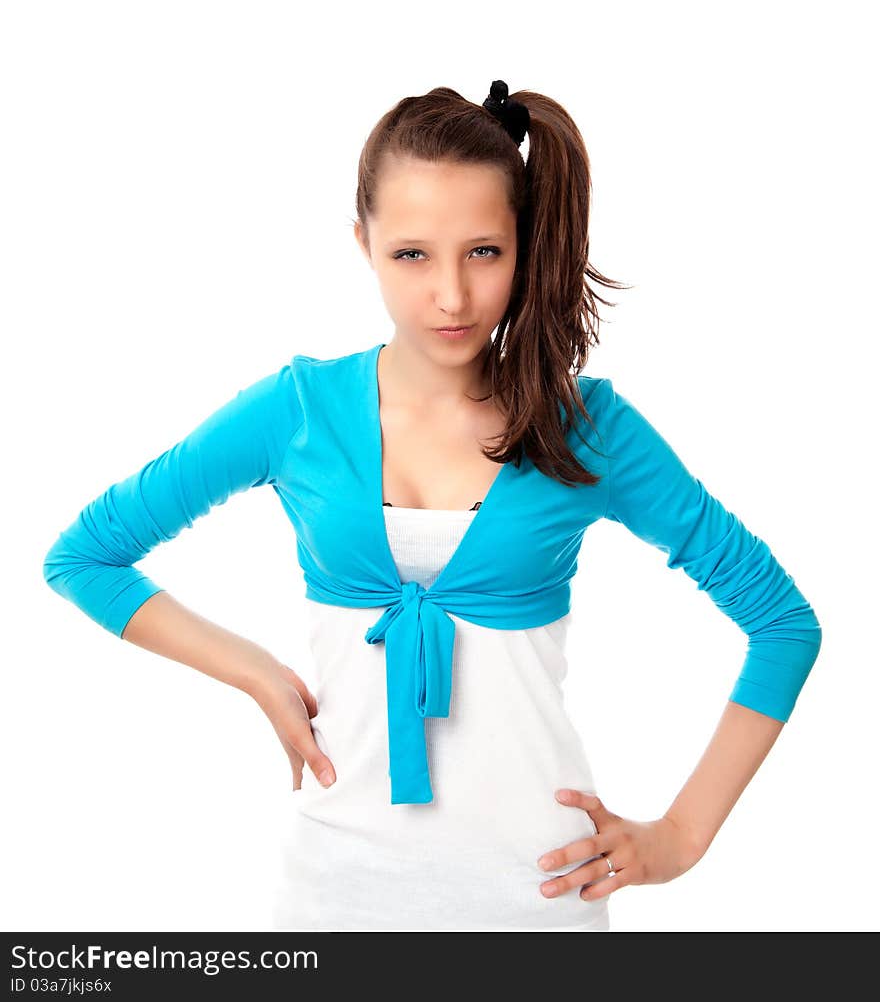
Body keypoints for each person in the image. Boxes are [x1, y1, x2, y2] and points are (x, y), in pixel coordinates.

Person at [42, 80, 822, 932]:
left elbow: (782, 623)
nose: (450, 296)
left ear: (523, 247)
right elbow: (84, 557)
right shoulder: (296, 411)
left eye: (483, 251)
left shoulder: (587, 428)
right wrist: (257, 673)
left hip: (542, 899)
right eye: (411, 254)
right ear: (363, 244)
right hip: (330, 897)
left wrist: (680, 839)